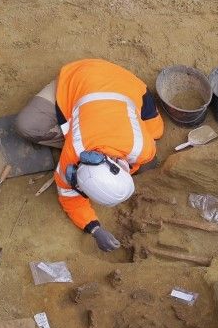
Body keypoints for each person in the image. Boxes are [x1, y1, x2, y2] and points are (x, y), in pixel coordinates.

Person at [15, 58, 164, 252]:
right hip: (80, 78)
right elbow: (68, 195)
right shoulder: (74, 152)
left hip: (128, 84)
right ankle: (76, 116)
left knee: (157, 132)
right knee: (26, 126)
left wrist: (95, 228)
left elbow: (153, 137)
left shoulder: (143, 149)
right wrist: (93, 227)